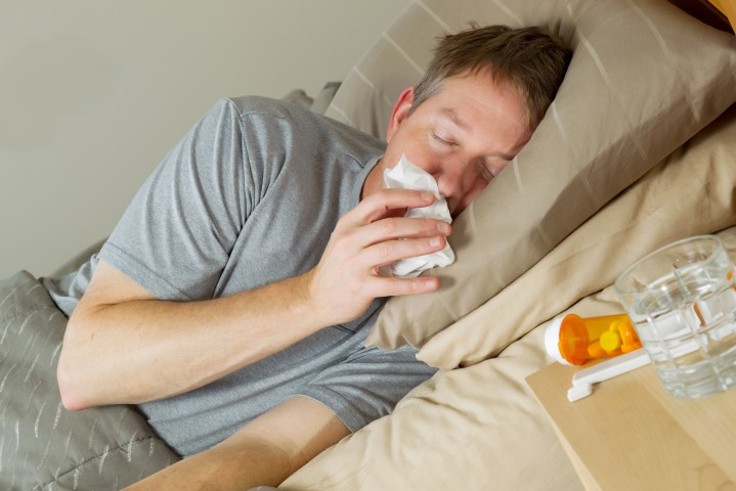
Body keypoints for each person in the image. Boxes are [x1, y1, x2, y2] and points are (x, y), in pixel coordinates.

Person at [56, 24, 571, 489]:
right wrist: (314, 299)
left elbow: (270, 447)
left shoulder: (438, 316)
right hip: (45, 364)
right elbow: (83, 371)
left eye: (492, 170)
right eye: (442, 137)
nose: (452, 183)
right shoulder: (256, 141)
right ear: (400, 116)